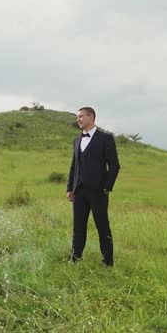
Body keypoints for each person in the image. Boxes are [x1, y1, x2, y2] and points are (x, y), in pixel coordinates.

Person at [66, 107, 120, 266]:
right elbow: (73, 165)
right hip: (79, 191)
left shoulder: (105, 138)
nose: (78, 119)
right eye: (77, 117)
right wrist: (70, 188)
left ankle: (108, 261)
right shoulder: (77, 140)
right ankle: (75, 257)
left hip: (98, 192)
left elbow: (115, 166)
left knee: (102, 226)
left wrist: (106, 187)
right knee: (78, 226)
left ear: (91, 117)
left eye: (81, 116)